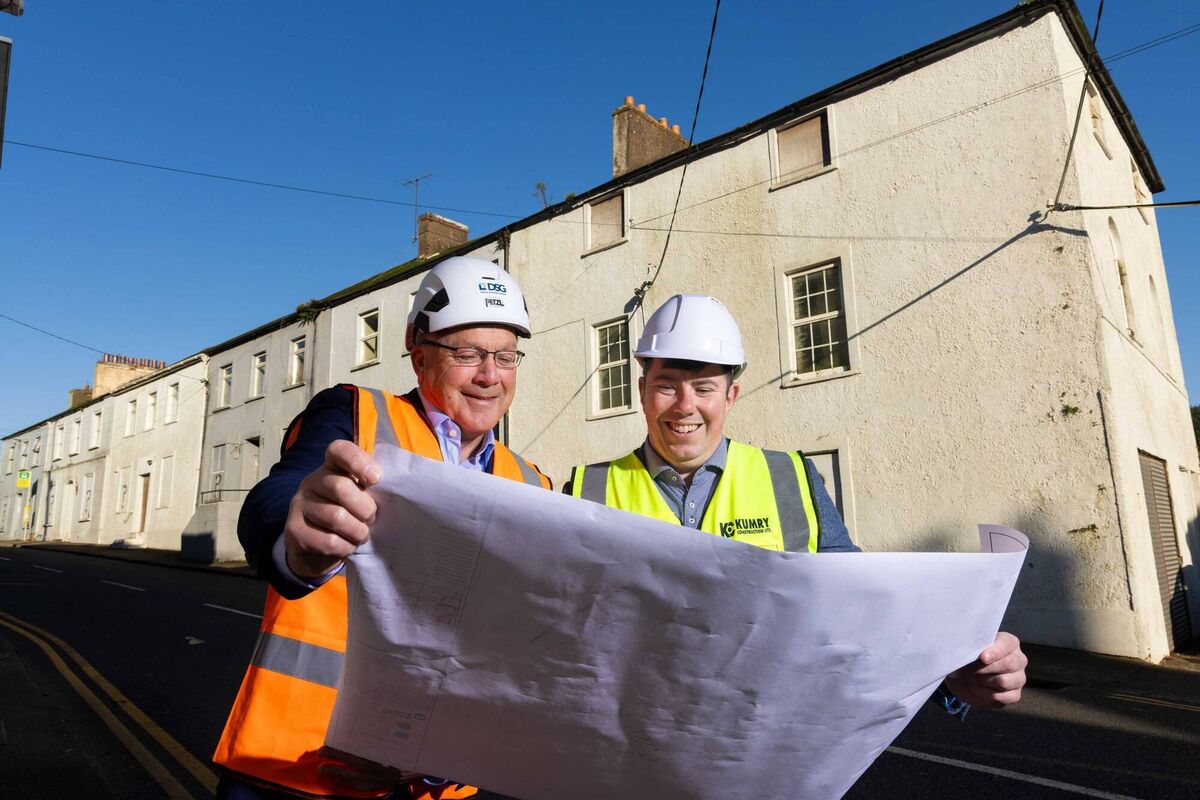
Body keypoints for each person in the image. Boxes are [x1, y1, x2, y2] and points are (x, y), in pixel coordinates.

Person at [567, 293, 1027, 713]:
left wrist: (955, 672)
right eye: (667, 385)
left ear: (731, 396)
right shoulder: (585, 490)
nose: (685, 405)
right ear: (642, 390)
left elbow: (861, 611)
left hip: (765, 746)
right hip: (632, 747)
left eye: (704, 387)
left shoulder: (793, 478)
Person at [213, 257, 550, 800]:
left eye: (505, 356)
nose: (490, 374)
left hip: (437, 787)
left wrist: (437, 760)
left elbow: (518, 656)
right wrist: (296, 534)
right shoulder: (355, 416)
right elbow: (279, 496)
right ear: (418, 352)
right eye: (467, 353)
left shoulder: (533, 485)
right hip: (297, 771)